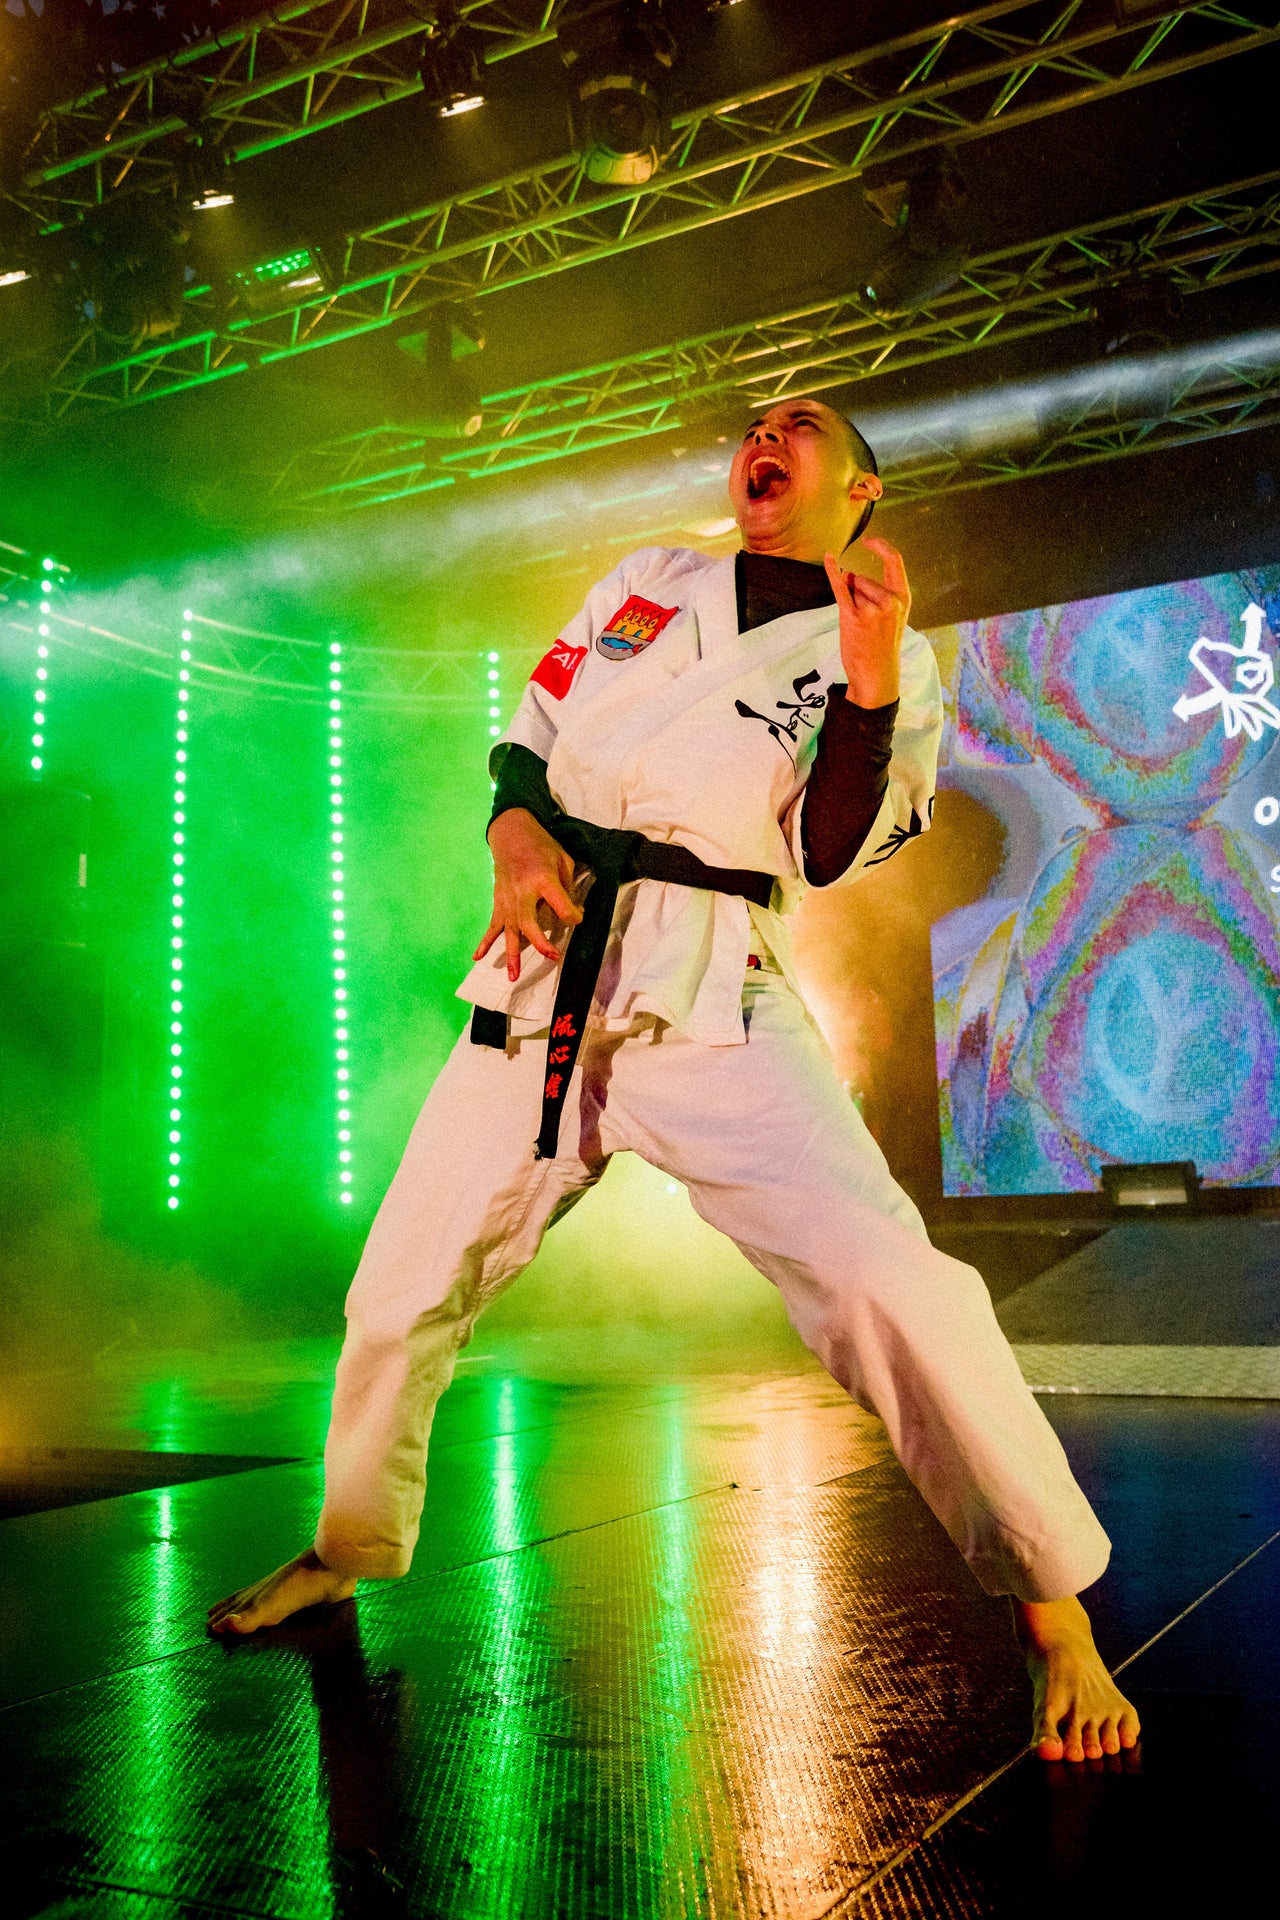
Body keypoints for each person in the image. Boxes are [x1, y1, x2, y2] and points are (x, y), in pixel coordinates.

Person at [209, 398, 1140, 1766]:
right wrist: (514, 837)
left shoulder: (887, 646)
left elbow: (828, 851)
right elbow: (527, 736)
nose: (765, 438)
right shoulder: (650, 582)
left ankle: (1058, 1611)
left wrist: (873, 680)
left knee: (886, 1279)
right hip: (545, 970)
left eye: (804, 427)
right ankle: (345, 1547)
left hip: (716, 986)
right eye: (754, 425)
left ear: (861, 492)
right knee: (398, 1288)